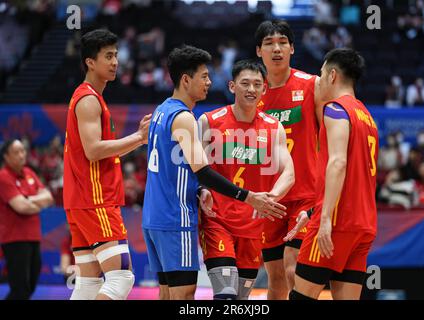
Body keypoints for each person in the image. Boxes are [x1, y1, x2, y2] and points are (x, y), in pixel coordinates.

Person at [142, 45, 287, 300]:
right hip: (180, 216)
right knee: (193, 294)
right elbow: (203, 171)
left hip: (160, 215)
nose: (209, 82)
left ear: (264, 88)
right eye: (204, 77)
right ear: (186, 80)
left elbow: (178, 168)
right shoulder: (193, 118)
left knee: (171, 293)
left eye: (257, 84)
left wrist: (202, 190)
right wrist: (248, 196)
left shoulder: (162, 110)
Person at [63, 29, 151, 300]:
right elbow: (93, 150)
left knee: (88, 284)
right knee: (121, 278)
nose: (115, 62)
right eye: (108, 56)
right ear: (90, 62)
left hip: (81, 199)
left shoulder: (88, 96)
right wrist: (139, 138)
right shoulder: (89, 99)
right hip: (95, 199)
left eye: (116, 55)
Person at [198, 59, 295, 300]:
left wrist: (269, 199)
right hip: (217, 219)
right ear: (232, 86)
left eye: (257, 84)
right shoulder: (209, 121)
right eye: (245, 83)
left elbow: (289, 173)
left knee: (241, 299)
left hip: (252, 226)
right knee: (226, 294)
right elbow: (195, 168)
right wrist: (200, 190)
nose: (251, 89)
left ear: (264, 89)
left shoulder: (274, 128)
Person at [288, 48, 379, 300]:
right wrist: (312, 212)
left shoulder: (336, 109)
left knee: (300, 297)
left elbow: (338, 164)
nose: (318, 81)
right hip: (364, 225)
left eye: (321, 74)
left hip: (337, 221)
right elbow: (357, 177)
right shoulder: (368, 117)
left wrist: (324, 218)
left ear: (332, 75)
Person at [255, 19, 323, 299]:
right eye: (269, 43)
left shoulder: (312, 86)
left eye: (282, 42)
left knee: (294, 269)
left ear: (292, 48)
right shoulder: (252, 93)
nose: (277, 48)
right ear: (259, 51)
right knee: (276, 278)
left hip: (305, 195)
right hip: (269, 198)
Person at [0, 139, 54, 300]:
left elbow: (49, 197)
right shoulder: (3, 177)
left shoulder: (29, 173)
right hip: (14, 239)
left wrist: (26, 199)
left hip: (33, 237)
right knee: (20, 287)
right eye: (16, 152)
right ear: (6, 156)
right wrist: (36, 202)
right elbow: (20, 207)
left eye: (23, 151)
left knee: (31, 285)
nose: (22, 155)